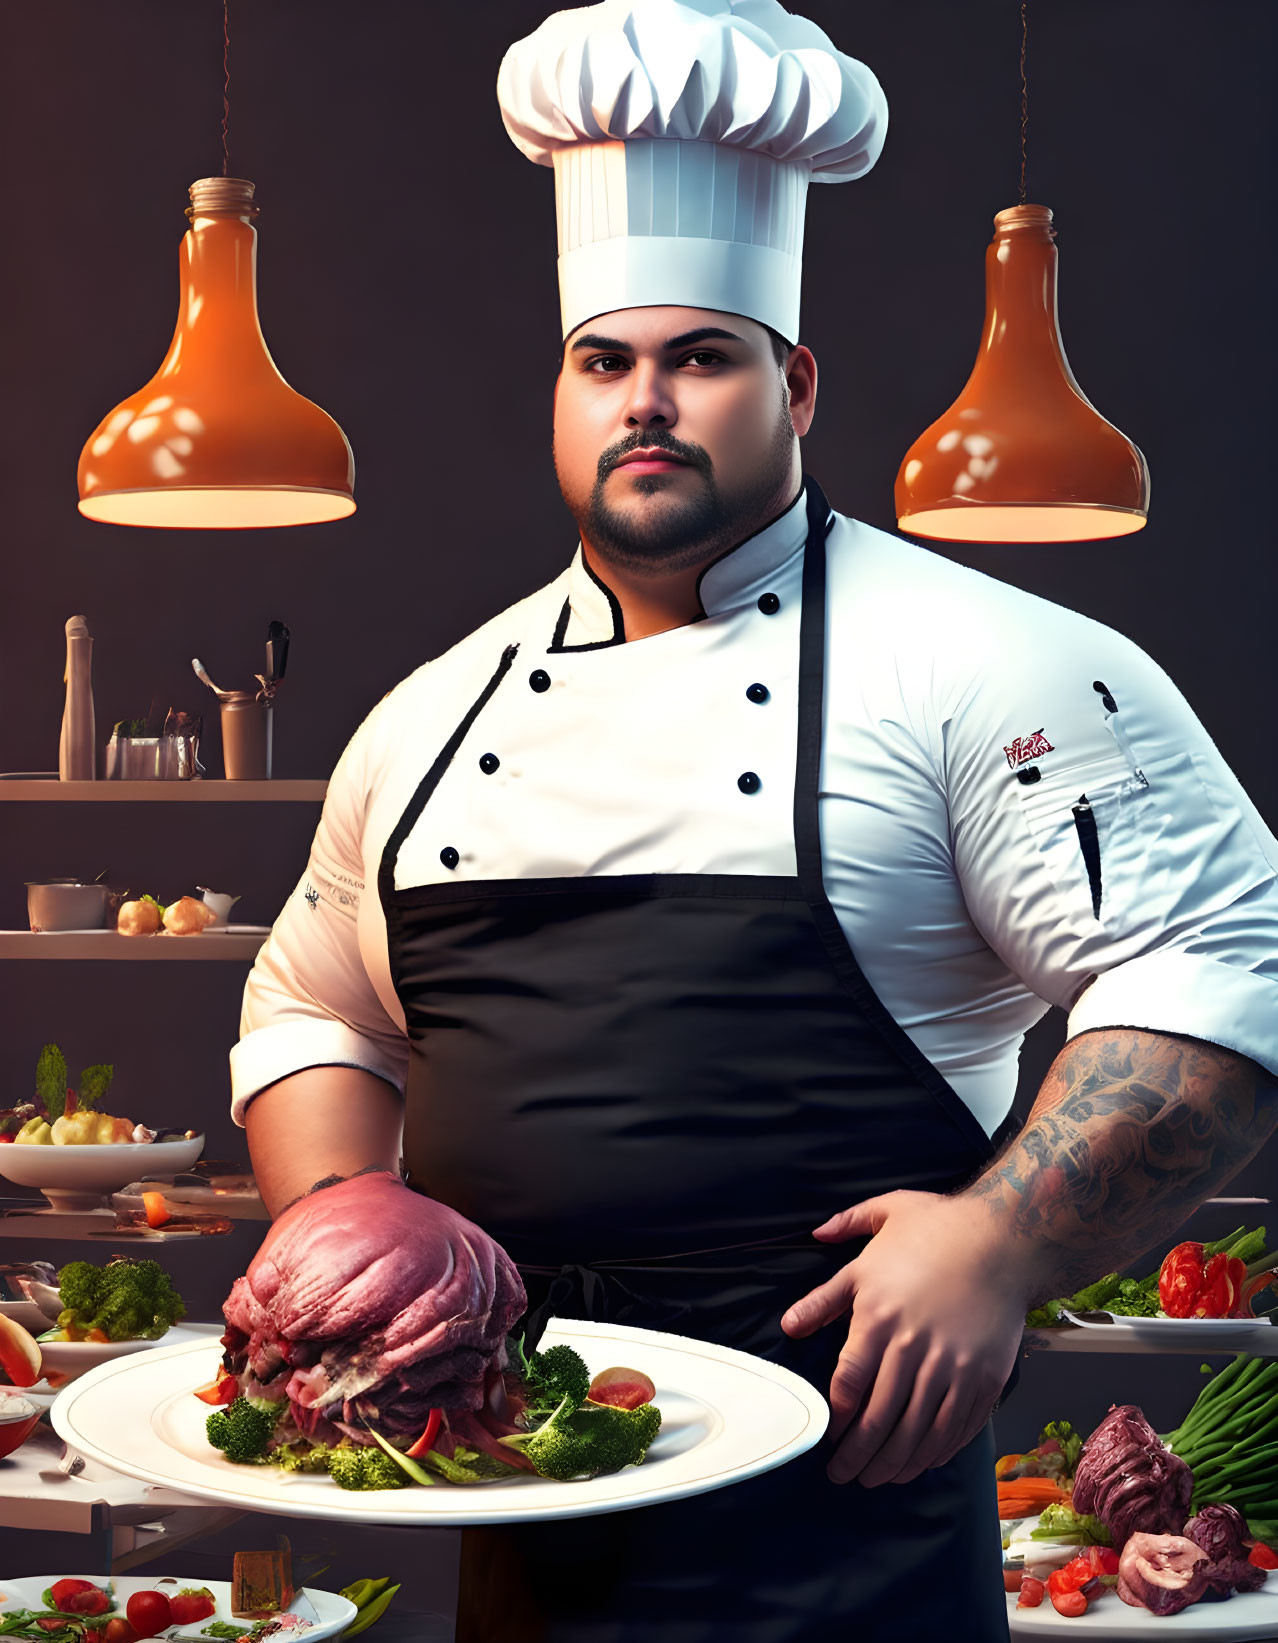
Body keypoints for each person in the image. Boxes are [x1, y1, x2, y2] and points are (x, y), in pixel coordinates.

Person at [230, 3, 1278, 1638]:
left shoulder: (983, 659)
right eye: (604, 363)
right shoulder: (433, 712)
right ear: (560, 394)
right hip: (498, 1481)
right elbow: (311, 1000)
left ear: (791, 381)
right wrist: (332, 1213)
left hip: (842, 1525)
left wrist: (999, 1244)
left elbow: (1218, 955)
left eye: (699, 358)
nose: (645, 402)